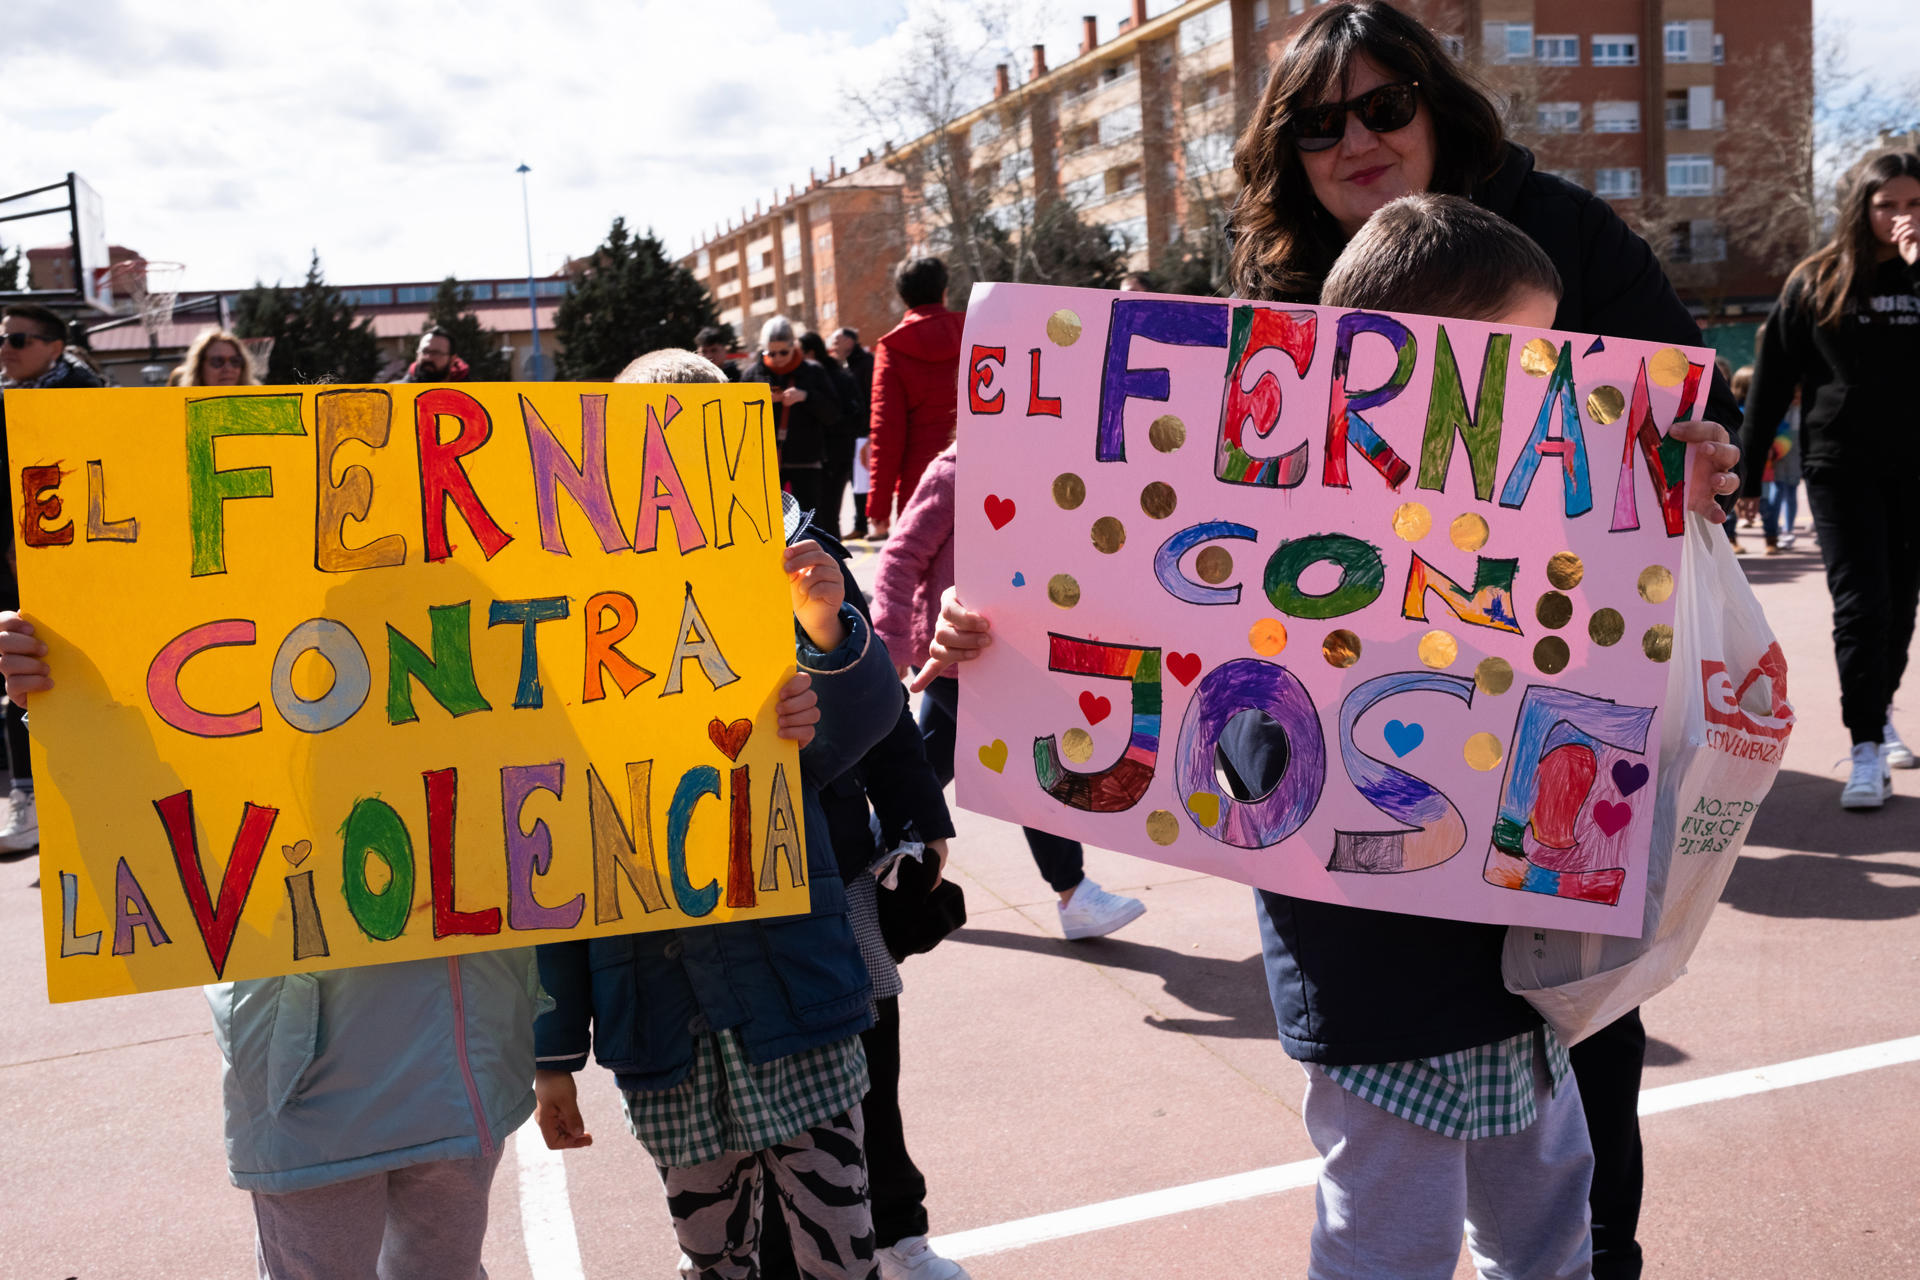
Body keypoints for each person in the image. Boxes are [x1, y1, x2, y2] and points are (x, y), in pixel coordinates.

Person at [919, 192, 1742, 1280]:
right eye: (1510, 365)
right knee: (1389, 1244)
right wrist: (990, 638)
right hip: (1368, 967)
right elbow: (1132, 622)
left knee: (1549, 1233)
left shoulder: (1558, 517)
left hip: (1527, 957)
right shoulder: (1273, 522)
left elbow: (1637, 642)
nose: (1541, 393)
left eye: (1548, 362)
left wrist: (1671, 502)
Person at [1222, 9, 1744, 1275]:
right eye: (1319, 123)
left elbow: (1682, 403)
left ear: (1434, 101)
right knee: (1398, 1187)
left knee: (1563, 1124)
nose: (1355, 138)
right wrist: (1008, 637)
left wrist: (1694, 461)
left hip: (1548, 774)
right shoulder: (1270, 314)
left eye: (1383, 105)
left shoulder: (1562, 236)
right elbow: (1179, 576)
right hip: (1367, 869)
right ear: (1288, 151)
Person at [534, 346, 901, 1280]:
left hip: (793, 993)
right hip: (661, 1016)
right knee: (711, 1259)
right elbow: (557, 860)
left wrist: (825, 639)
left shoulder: (784, 566)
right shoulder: (568, 609)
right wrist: (552, 1050)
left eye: (700, 442)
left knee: (841, 1249)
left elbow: (856, 727)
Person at [875, 443, 1146, 940]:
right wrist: (891, 640)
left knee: (924, 769)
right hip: (959, 658)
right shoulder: (954, 471)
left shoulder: (1051, 466)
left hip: (1009, 661)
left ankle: (859, 866)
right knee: (1032, 769)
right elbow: (900, 555)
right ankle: (1073, 893)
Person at [1741, 149, 1920, 806]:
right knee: (1861, 605)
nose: (1901, 217)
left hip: (1914, 466)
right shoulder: (1818, 279)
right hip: (1841, 465)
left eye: (1914, 204)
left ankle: (1879, 709)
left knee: (1900, 605)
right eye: (1887, 205)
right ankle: (1865, 746)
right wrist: (1748, 474)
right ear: (1861, 208)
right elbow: (1772, 381)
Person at [0, 303, 107, 855]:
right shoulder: (6, 400)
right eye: (3, 339)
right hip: (16, 562)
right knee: (20, 678)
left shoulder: (86, 398)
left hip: (71, 566)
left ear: (55, 347)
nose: (6, 349)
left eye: (18, 339)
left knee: (64, 678)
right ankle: (32, 799)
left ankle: (78, 803)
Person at [865, 258, 964, 539]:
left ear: (902, 295)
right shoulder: (975, 332)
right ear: (944, 291)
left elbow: (886, 433)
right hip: (979, 473)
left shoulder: (893, 347)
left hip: (920, 485)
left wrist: (879, 507)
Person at [741, 316, 840, 515]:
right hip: (765, 461)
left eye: (783, 352)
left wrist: (806, 396)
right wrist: (759, 403)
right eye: (771, 352)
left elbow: (834, 414)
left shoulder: (813, 371)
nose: (777, 357)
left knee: (808, 518)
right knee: (767, 518)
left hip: (805, 459)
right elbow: (738, 419)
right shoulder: (753, 374)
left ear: (793, 347)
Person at [801, 329, 859, 539]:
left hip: (832, 454)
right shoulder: (836, 374)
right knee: (828, 514)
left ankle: (834, 556)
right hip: (836, 453)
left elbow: (844, 415)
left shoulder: (822, 377)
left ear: (810, 353)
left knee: (825, 515)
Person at [832, 328, 876, 538]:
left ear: (849, 341)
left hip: (863, 433)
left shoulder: (866, 363)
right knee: (856, 480)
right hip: (852, 433)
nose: (834, 345)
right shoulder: (847, 363)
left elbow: (871, 398)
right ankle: (861, 524)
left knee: (861, 480)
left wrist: (869, 429)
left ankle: (865, 524)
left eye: (837, 340)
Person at [178, 328, 260, 387]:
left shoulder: (259, 401)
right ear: (199, 367)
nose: (228, 368)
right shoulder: (181, 404)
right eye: (217, 361)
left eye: (235, 361)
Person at [399, 327, 469, 382]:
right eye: (425, 351)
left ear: (452, 360)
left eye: (436, 353)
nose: (428, 357)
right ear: (417, 354)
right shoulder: (398, 393)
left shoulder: (471, 393)